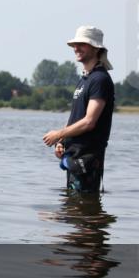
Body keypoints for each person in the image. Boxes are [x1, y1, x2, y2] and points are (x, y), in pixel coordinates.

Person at [43, 26, 115, 193]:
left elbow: (89, 122)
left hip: (89, 156)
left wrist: (58, 134)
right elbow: (76, 117)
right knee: (74, 211)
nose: (76, 48)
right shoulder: (85, 78)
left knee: (83, 210)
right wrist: (62, 142)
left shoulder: (100, 79)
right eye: (74, 45)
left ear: (96, 48)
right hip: (74, 154)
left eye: (82, 44)